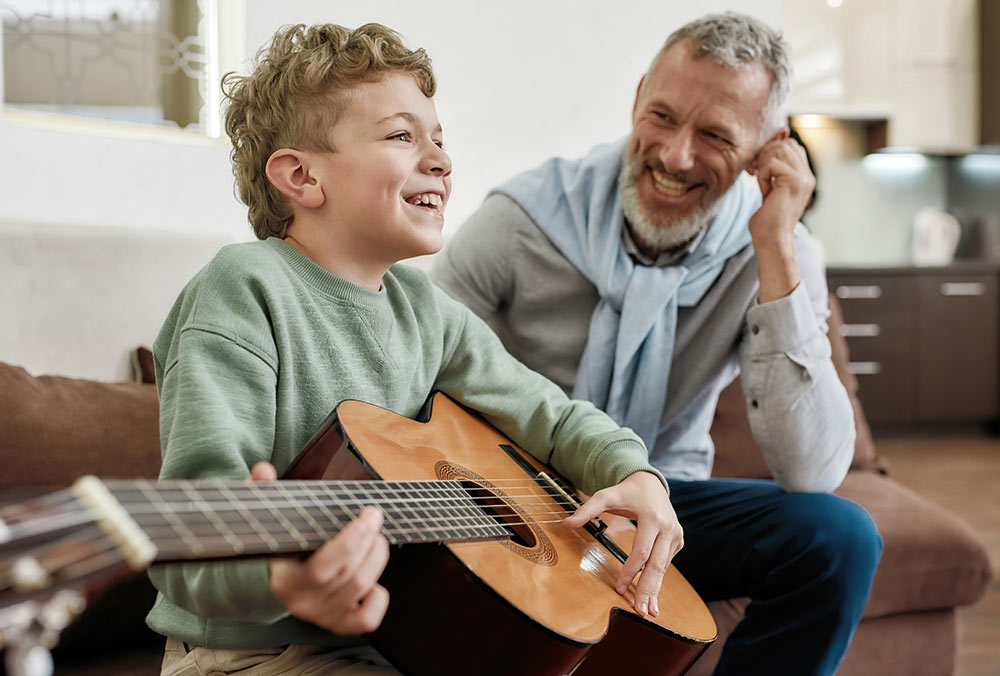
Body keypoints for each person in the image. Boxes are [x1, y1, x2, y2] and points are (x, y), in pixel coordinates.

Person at [146, 22, 680, 676]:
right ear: (301, 176)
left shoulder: (425, 308)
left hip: (396, 641)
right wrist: (281, 576)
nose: (442, 160)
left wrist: (633, 473)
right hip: (246, 652)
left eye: (440, 139)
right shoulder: (245, 286)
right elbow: (190, 535)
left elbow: (552, 416)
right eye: (402, 135)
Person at [431, 12, 882, 676]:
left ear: (767, 146)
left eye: (715, 135)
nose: (674, 156)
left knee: (840, 538)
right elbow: (416, 366)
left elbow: (812, 469)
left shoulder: (774, 247)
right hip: (517, 489)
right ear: (638, 97)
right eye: (663, 117)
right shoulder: (521, 219)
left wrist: (776, 248)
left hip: (667, 503)